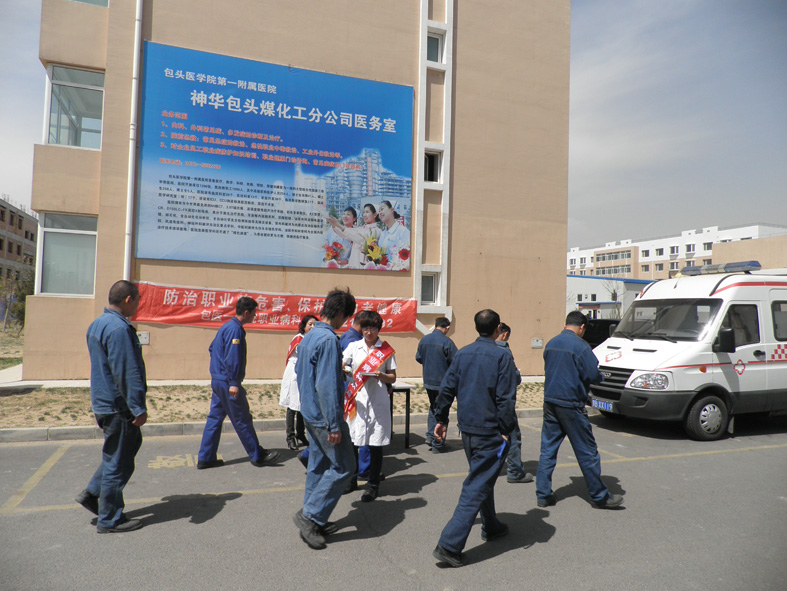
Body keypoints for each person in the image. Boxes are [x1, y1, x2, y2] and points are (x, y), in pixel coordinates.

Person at [432, 309, 518, 568]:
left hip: (468, 430)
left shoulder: (463, 353)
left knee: (482, 478)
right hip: (490, 431)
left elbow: (447, 388)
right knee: (477, 484)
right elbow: (505, 398)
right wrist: (506, 429)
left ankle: (491, 525)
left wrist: (440, 419)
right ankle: (449, 545)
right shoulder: (502, 355)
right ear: (497, 329)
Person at [75, 280, 147, 533]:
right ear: (128, 300)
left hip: (104, 402)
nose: (137, 305)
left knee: (123, 450)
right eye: (137, 300)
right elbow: (126, 371)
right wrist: (138, 407)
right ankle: (110, 519)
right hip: (118, 406)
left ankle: (93, 492)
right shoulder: (118, 329)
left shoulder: (98, 324)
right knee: (119, 462)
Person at [536, 311, 624, 509]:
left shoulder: (551, 343)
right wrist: (601, 377)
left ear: (565, 324)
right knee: (587, 451)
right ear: (582, 327)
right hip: (571, 404)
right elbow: (593, 374)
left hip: (550, 401)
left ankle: (543, 495)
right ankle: (599, 496)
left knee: (548, 450)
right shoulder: (581, 346)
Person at [293, 288, 357, 550]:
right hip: (324, 416)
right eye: (347, 317)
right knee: (344, 466)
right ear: (341, 313)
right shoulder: (329, 340)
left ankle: (314, 519)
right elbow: (327, 386)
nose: (346, 322)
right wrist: (333, 424)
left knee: (318, 466)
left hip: (310, 411)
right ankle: (310, 516)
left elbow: (302, 375)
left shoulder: (309, 336)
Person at [197, 296, 279, 469]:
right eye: (254, 313)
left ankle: (206, 457)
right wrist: (233, 382)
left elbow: (212, 348)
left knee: (215, 418)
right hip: (228, 382)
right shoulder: (235, 330)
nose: (255, 316)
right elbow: (233, 357)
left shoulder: (226, 327)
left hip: (218, 380)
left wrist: (218, 370)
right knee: (242, 418)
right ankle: (257, 455)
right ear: (247, 313)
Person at [342, 311, 397, 502]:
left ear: (378, 329)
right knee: (352, 441)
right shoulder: (353, 346)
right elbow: (343, 365)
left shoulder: (385, 350)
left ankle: (373, 485)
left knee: (375, 443)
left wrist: (381, 376)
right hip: (356, 399)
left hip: (377, 400)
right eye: (366, 328)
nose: (369, 332)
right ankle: (351, 480)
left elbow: (393, 377)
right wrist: (348, 371)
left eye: (373, 328)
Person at [496, 323, 534, 484]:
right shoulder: (504, 351)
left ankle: (483, 468)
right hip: (503, 403)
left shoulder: (481, 349)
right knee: (512, 437)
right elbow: (514, 378)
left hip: (485, 403)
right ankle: (515, 471)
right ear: (504, 334)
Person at [415, 316, 457, 453]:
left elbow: (418, 358)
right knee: (442, 411)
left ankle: (430, 435)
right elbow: (456, 362)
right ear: (447, 327)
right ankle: (438, 442)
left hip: (428, 381)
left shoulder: (424, 340)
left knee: (433, 407)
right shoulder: (447, 342)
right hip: (443, 383)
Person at [279, 315, 318, 450]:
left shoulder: (310, 339)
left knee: (302, 403)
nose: (312, 327)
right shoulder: (299, 338)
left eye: (315, 324)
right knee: (292, 406)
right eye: (310, 324)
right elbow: (305, 354)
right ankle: (290, 436)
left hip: (305, 372)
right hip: (295, 373)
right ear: (304, 326)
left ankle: (300, 433)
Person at [326, 203, 380, 269]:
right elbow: (345, 235)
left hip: (363, 266)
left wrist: (337, 224)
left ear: (375, 215)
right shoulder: (360, 229)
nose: (364, 215)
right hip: (353, 264)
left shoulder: (377, 231)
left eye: (367, 212)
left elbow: (359, 239)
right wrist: (334, 224)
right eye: (363, 212)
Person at [377, 199, 410, 270]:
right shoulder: (382, 234)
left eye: (382, 209)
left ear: (391, 210)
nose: (380, 213)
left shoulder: (403, 231)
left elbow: (408, 257)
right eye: (379, 211)